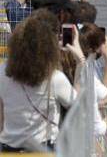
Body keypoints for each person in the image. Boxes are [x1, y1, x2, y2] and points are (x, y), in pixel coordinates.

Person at [0, 11, 83, 152]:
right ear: (50, 47)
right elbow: (79, 106)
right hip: (43, 149)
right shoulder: (55, 79)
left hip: (8, 149)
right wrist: (80, 61)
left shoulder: (2, 72)